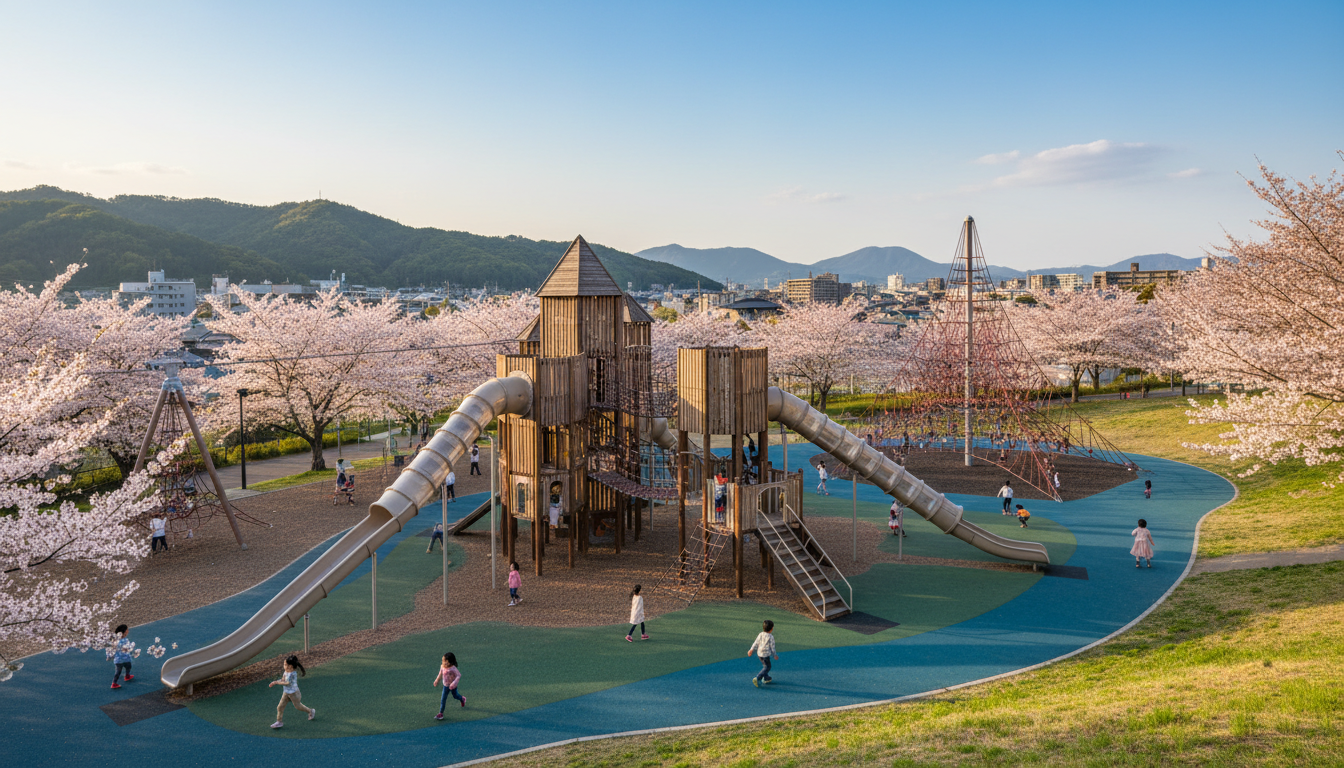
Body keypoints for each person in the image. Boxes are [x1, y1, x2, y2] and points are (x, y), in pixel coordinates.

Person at [268, 655, 315, 728]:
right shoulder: (286, 672)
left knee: (298, 706)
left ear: (290, 666)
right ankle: (279, 721)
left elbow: (287, 682)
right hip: (286, 693)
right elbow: (283, 680)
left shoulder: (293, 674)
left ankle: (310, 711)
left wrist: (277, 682)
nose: (284, 666)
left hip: (294, 694)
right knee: (280, 707)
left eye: (285, 664)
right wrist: (275, 682)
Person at [432, 652, 465, 719]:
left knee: (455, 696)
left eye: (445, 661)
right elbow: (440, 674)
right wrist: (437, 680)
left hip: (452, 686)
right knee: (443, 699)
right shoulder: (442, 667)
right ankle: (441, 713)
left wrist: (454, 683)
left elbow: (459, 675)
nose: (443, 663)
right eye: (443, 661)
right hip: (446, 686)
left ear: (450, 662)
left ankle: (462, 699)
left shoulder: (453, 668)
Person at [747, 619, 778, 687]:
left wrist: (751, 649)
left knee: (765, 665)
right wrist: (774, 654)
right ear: (771, 629)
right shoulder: (771, 637)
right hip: (765, 655)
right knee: (768, 666)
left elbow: (756, 642)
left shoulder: (760, 634)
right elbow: (772, 647)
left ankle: (766, 677)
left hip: (759, 654)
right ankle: (758, 677)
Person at [110, 624, 134, 689]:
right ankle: (124, 677)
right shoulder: (125, 640)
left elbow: (112, 649)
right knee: (126, 668)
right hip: (124, 659)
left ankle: (116, 682)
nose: (128, 631)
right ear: (124, 632)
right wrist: (131, 647)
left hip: (118, 660)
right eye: (127, 630)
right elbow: (127, 648)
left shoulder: (115, 641)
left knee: (120, 670)